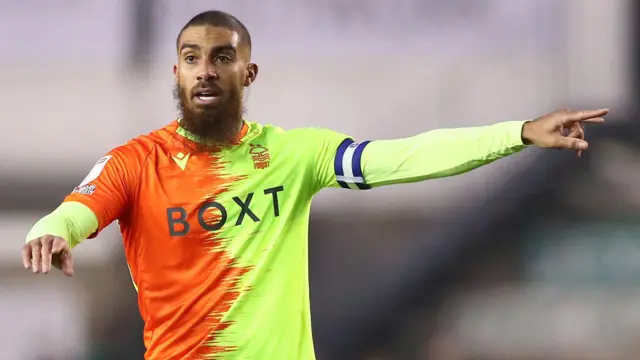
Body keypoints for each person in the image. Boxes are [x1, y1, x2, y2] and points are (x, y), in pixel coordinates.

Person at [21, 10, 608, 360]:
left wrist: (519, 132)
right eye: (191, 57)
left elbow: (405, 158)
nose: (205, 69)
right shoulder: (137, 163)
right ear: (176, 71)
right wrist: (53, 232)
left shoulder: (293, 154)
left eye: (221, 57)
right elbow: (78, 208)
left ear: (246, 73)